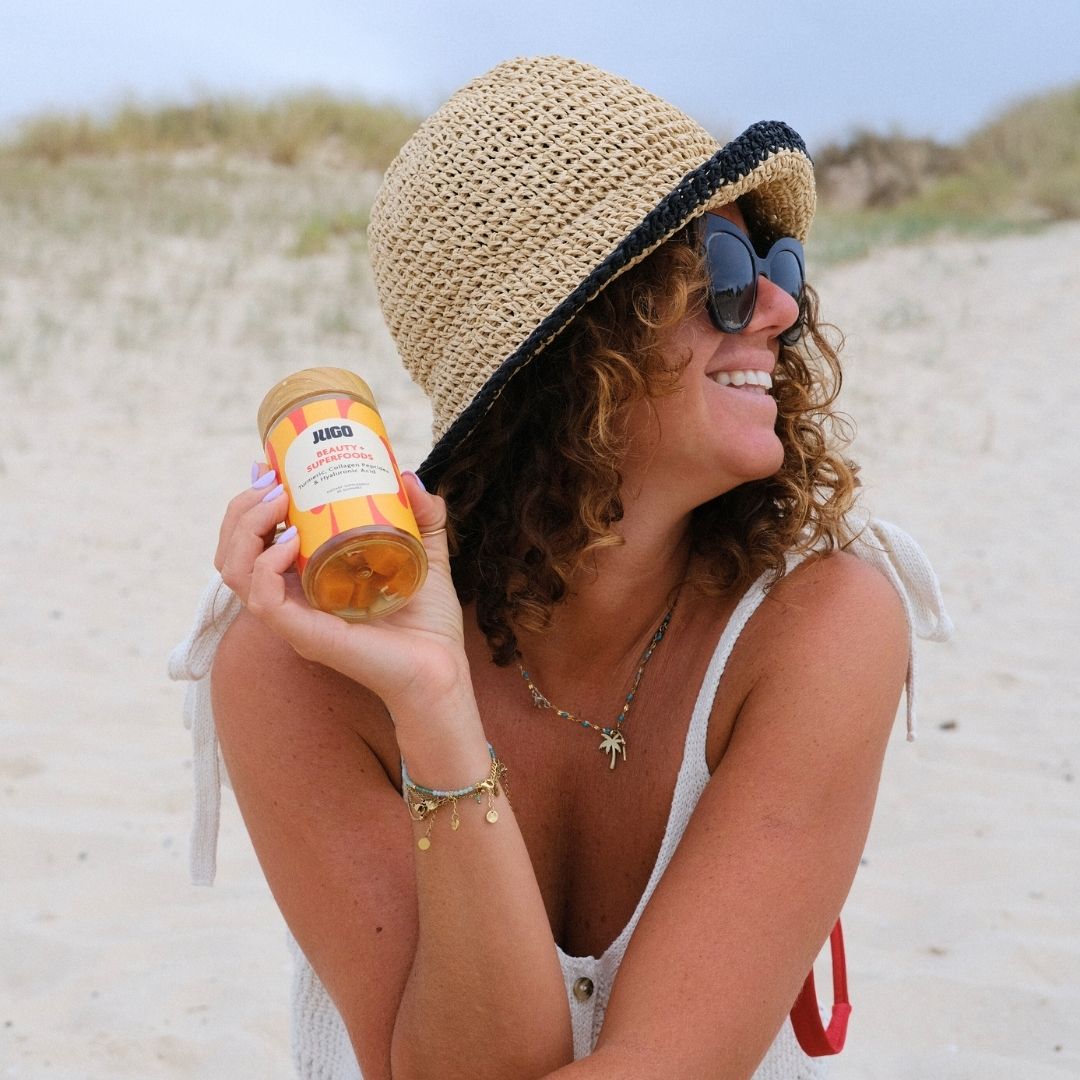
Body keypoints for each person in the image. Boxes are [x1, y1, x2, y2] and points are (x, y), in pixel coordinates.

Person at [170, 56, 952, 1080]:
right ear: (573, 342)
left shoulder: (822, 621)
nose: (778, 309)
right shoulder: (293, 665)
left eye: (782, 267)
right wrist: (437, 708)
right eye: (721, 273)